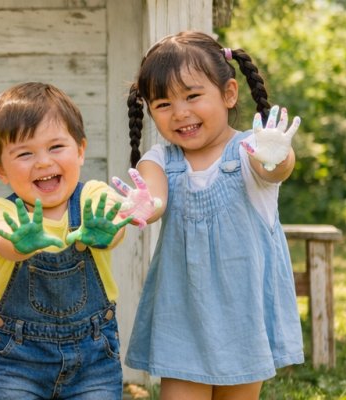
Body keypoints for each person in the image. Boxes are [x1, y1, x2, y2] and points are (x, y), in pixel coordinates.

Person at [120, 31, 304, 399]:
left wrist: (277, 155)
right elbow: (154, 196)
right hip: (182, 317)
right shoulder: (160, 159)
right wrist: (145, 204)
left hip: (244, 319)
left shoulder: (250, 151)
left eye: (192, 96)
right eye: (163, 104)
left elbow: (274, 170)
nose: (180, 113)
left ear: (229, 93)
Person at [0, 82, 137, 399]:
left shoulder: (93, 196)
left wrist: (108, 231)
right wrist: (18, 243)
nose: (43, 162)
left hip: (93, 357)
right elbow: (0, 239)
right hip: (15, 358)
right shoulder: (4, 211)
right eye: (25, 153)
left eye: (56, 147)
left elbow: (114, 224)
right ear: (0, 170)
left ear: (80, 150)